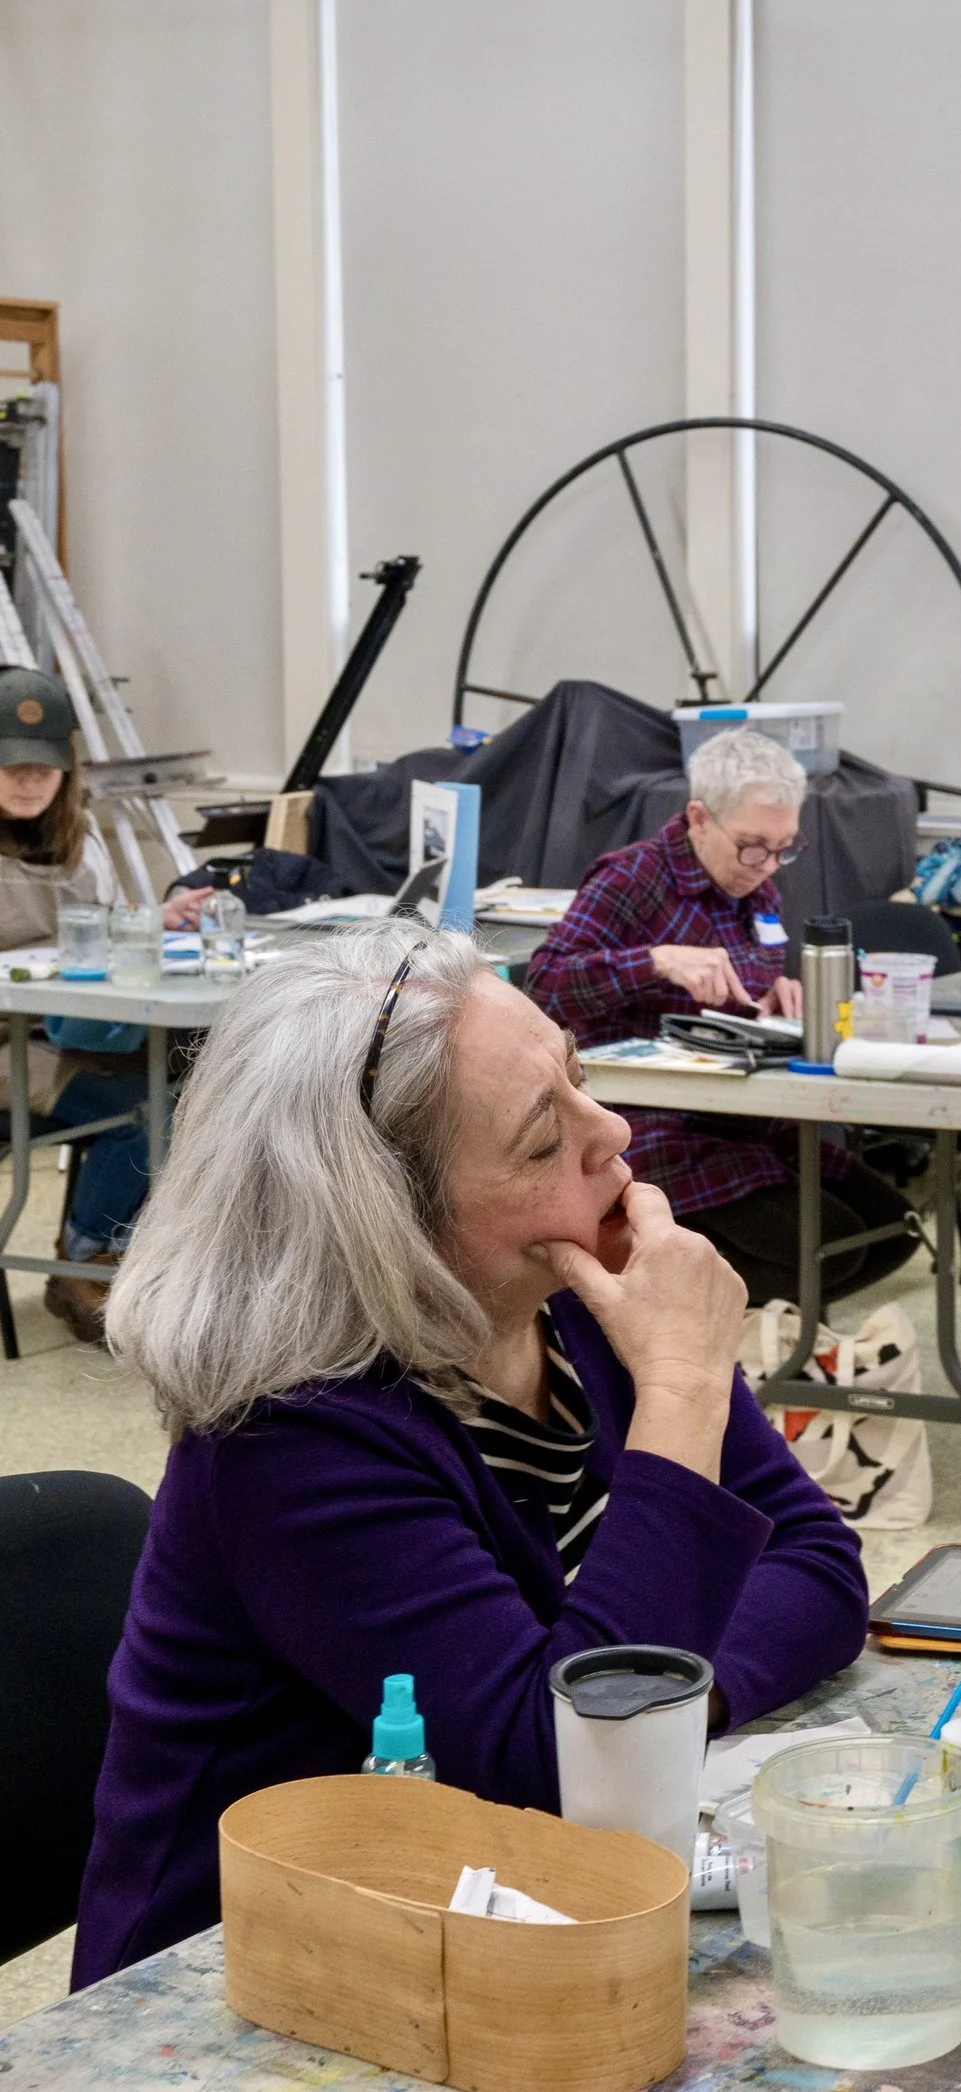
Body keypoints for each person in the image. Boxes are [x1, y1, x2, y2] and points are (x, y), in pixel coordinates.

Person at [73, 925, 868, 1984]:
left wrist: (663, 1702)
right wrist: (681, 1391)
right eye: (544, 1141)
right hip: (252, 1983)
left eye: (580, 1079)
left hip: (483, 1928)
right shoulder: (291, 1435)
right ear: (388, 1225)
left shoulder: (575, 1295)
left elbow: (818, 1566)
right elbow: (556, 1768)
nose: (611, 1132)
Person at [527, 727, 915, 1309]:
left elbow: (745, 987)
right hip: (653, 1123)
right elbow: (543, 986)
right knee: (829, 1247)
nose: (768, 865)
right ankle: (673, 1325)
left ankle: (751, 1340)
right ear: (699, 818)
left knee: (893, 1228)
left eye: (785, 847)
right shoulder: (631, 879)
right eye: (753, 845)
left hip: (744, 1115)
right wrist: (653, 961)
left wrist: (772, 996)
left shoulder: (758, 892)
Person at [0, 666, 210, 1342]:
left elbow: (109, 931)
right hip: (9, 1045)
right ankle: (83, 1260)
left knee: (193, 1081)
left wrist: (156, 920)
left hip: (62, 1030)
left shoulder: (78, 841)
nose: (29, 780)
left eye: (44, 766)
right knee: (143, 1110)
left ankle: (140, 1253)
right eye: (10, 765)